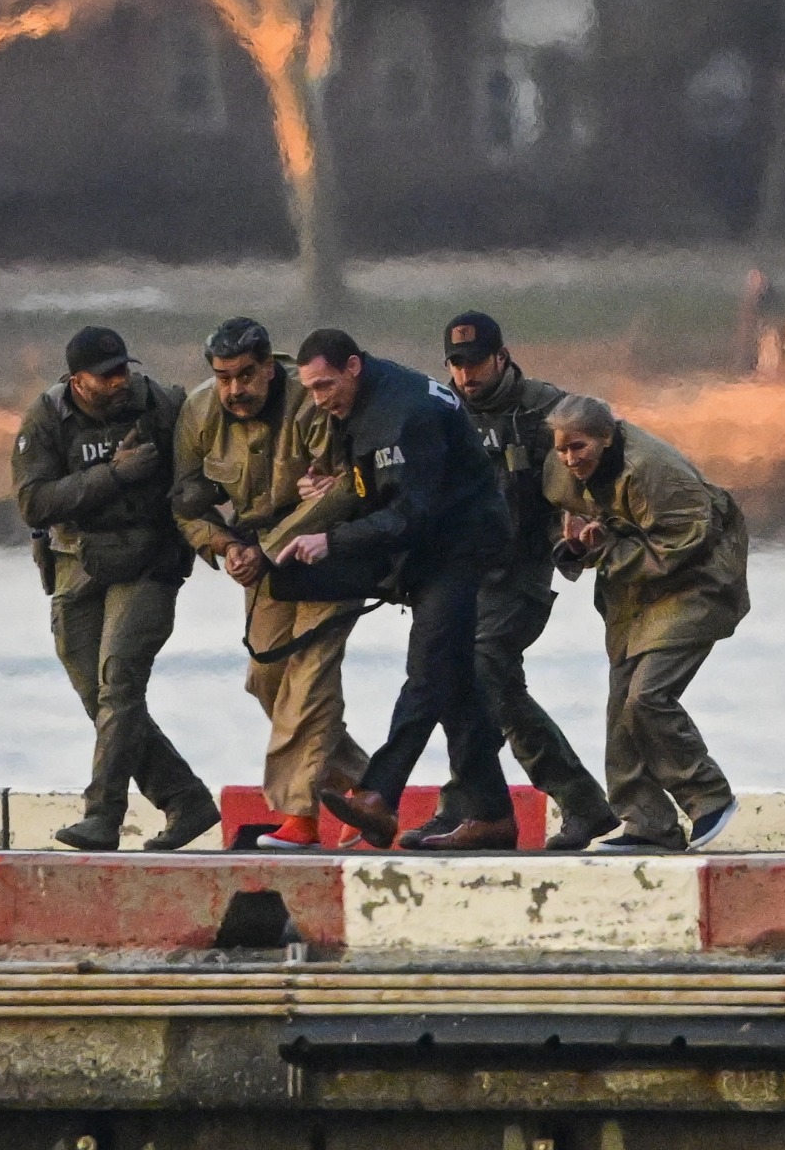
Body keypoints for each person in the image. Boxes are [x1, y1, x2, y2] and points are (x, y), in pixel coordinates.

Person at [274, 329, 518, 851]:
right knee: (453, 682)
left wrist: (332, 540)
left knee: (427, 668)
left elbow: (412, 513)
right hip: (426, 550)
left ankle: (378, 795)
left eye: (324, 385)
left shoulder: (407, 412)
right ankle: (492, 814)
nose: (318, 399)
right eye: (310, 389)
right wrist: (329, 491)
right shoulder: (357, 405)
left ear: (353, 366)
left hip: (461, 544)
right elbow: (374, 488)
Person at [392, 312, 617, 852]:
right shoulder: (436, 411)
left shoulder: (544, 411)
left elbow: (586, 478)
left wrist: (579, 529)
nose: (465, 375)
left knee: (478, 672)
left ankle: (482, 805)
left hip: (520, 572)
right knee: (481, 688)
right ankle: (562, 804)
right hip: (459, 575)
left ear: (501, 357)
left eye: (475, 362)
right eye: (456, 364)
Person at [12, 326, 221, 852]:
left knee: (120, 685)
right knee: (97, 696)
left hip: (148, 561)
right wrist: (113, 474)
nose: (119, 381)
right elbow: (34, 503)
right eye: (105, 375)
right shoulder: (46, 418)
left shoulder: (163, 405)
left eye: (123, 369)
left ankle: (103, 816)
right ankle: (185, 799)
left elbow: (201, 473)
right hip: (76, 562)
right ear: (76, 380)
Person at [170, 317, 371, 850]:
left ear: (269, 367)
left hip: (328, 553)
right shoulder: (199, 412)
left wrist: (270, 546)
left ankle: (299, 819)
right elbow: (185, 502)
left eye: (245, 375)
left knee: (311, 679)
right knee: (268, 680)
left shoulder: (310, 402)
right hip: (259, 562)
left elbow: (345, 489)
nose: (235, 389)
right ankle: (368, 786)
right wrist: (225, 546)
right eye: (223, 378)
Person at [543, 394, 745, 852]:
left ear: (606, 437)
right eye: (562, 449)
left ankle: (709, 796)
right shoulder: (560, 471)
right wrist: (573, 545)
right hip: (632, 592)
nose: (570, 459)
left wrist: (607, 547)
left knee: (648, 695)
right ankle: (647, 822)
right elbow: (559, 518)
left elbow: (686, 543)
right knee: (621, 706)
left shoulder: (655, 470)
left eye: (579, 447)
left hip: (697, 582)